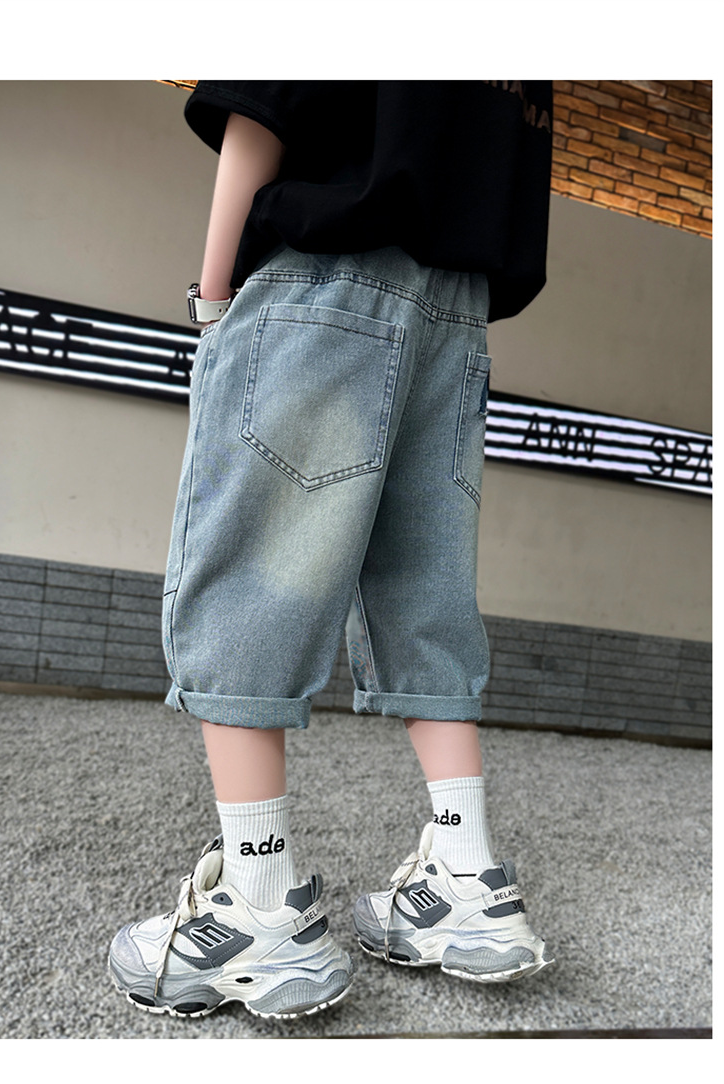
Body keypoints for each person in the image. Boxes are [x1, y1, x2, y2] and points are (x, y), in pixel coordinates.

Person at [108, 80, 555, 1021]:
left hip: (325, 276)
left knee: (248, 574)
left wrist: (214, 300)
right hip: (456, 307)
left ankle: (259, 907)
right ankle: (469, 881)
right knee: (424, 589)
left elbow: (266, 103)